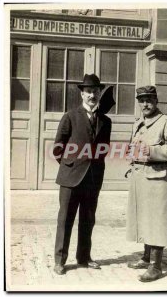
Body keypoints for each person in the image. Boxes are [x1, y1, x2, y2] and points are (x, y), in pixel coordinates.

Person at [53, 74, 114, 275]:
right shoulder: (70, 116)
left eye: (95, 91)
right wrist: (70, 164)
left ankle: (84, 257)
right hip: (70, 178)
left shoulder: (106, 121)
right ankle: (60, 260)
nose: (92, 95)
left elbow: (103, 149)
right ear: (82, 94)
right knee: (66, 219)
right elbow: (58, 147)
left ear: (99, 93)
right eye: (88, 91)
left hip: (93, 179)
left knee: (88, 219)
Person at [126, 85, 167, 282]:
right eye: (141, 100)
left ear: (156, 100)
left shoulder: (166, 122)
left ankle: (156, 267)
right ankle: (145, 257)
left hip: (157, 179)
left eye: (149, 99)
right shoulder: (138, 123)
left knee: (157, 221)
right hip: (140, 178)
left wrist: (149, 151)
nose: (145, 104)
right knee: (143, 218)